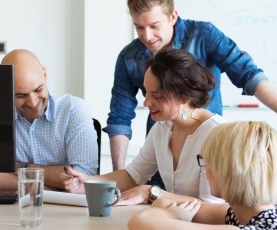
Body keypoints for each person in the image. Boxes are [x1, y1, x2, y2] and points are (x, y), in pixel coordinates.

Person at [104, 0, 277, 175]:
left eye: (154, 26)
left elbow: (249, 75)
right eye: (139, 27)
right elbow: (119, 119)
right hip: (161, 155)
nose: (147, 36)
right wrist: (118, 174)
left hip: (208, 151)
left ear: (173, 16)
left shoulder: (204, 35)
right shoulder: (128, 57)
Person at [61, 48, 226, 205]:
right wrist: (89, 181)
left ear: (184, 96)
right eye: (146, 92)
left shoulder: (217, 135)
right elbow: (133, 176)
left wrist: (151, 193)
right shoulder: (162, 128)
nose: (146, 102)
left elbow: (211, 207)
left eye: (157, 95)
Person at [0, 49, 98, 191]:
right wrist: (43, 187)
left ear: (45, 75)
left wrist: (19, 167)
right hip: (8, 210)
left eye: (38, 89)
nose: (33, 103)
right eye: (21, 95)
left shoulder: (74, 109)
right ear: (5, 88)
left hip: (65, 210)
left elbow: (83, 178)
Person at [127, 121, 277, 230]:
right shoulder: (244, 214)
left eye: (206, 161)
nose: (205, 168)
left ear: (228, 170)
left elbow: (140, 222)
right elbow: (175, 204)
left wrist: (175, 216)